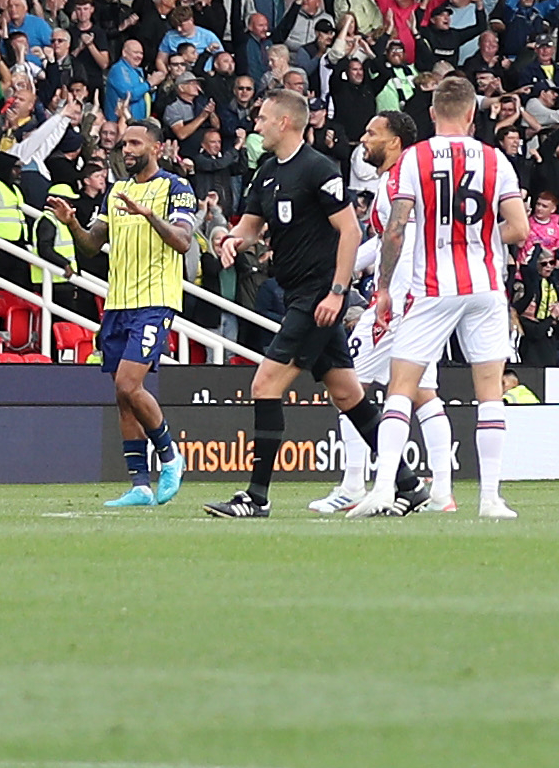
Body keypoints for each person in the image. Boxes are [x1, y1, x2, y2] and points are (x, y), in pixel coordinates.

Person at [363, 73, 528, 523]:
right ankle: (491, 499)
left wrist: (382, 288)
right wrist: (478, 239)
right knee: (489, 391)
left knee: (401, 387)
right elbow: (520, 229)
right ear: (473, 114)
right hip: (484, 285)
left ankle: (382, 488)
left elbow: (395, 229)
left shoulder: (415, 159)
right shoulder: (496, 160)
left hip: (433, 287)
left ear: (433, 113)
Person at [212, 77, 368, 521]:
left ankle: (256, 497)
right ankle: (408, 485)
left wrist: (338, 292)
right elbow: (250, 226)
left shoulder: (318, 168)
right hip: (297, 291)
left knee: (264, 385)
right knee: (345, 392)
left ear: (285, 121)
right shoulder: (266, 171)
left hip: (318, 296)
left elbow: (350, 232)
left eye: (262, 118)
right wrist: (230, 238)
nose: (256, 125)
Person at [92, 121, 198, 509]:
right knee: (123, 398)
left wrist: (149, 214)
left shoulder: (176, 187)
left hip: (154, 300)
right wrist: (71, 223)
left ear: (157, 146)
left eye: (135, 142)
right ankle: (140, 485)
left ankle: (171, 458)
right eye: (124, 144)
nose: (128, 149)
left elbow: (183, 241)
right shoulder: (116, 190)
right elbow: (92, 244)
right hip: (117, 302)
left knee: (127, 385)